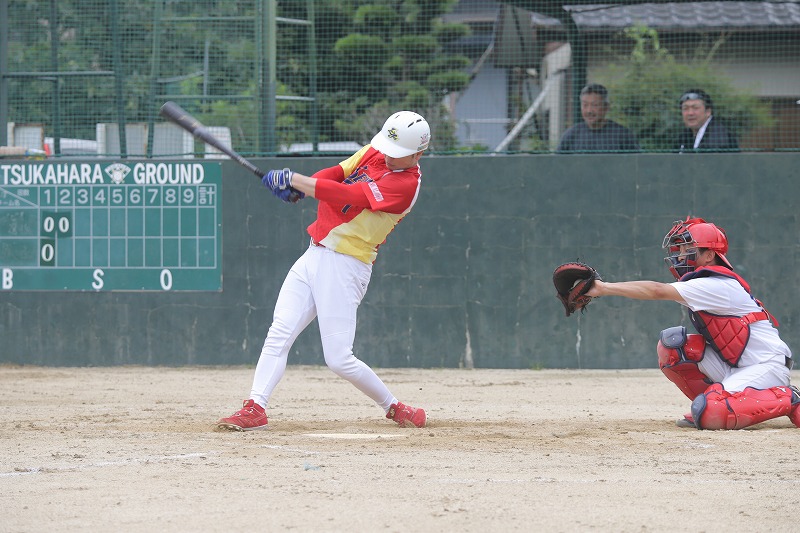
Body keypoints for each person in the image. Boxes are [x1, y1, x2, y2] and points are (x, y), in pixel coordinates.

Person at [217, 111, 431, 431]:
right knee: (279, 333)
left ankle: (395, 407)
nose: (387, 155)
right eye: (387, 147)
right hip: (315, 253)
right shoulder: (376, 151)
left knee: (339, 359)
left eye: (397, 153)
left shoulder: (405, 185)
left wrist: (295, 180)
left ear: (417, 154)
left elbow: (348, 194)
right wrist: (303, 187)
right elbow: (335, 173)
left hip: (346, 265)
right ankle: (255, 407)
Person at [585, 216, 800, 430]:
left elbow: (657, 290)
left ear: (709, 255)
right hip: (735, 367)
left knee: (712, 413)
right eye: (679, 249)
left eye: (687, 249)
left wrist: (602, 288)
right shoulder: (706, 282)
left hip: (766, 367)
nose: (680, 255)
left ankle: (789, 397)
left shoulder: (717, 285)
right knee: (673, 348)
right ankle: (708, 404)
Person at [557, 84, 640, 153]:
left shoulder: (622, 135)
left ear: (606, 107)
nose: (589, 110)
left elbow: (637, 164)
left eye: (595, 105)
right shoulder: (571, 135)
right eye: (585, 105)